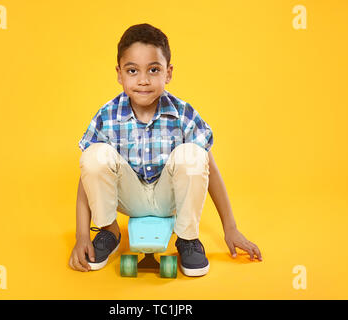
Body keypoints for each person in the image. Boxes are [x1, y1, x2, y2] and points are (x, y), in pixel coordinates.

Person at [69, 23, 262, 277]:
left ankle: (187, 239)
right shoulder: (107, 116)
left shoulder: (183, 114)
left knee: (194, 154)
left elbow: (209, 170)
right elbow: (87, 176)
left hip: (168, 196)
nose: (143, 80)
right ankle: (109, 231)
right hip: (129, 197)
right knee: (92, 156)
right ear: (119, 74)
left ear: (168, 73)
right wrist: (82, 234)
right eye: (132, 70)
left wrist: (231, 228)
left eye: (153, 69)